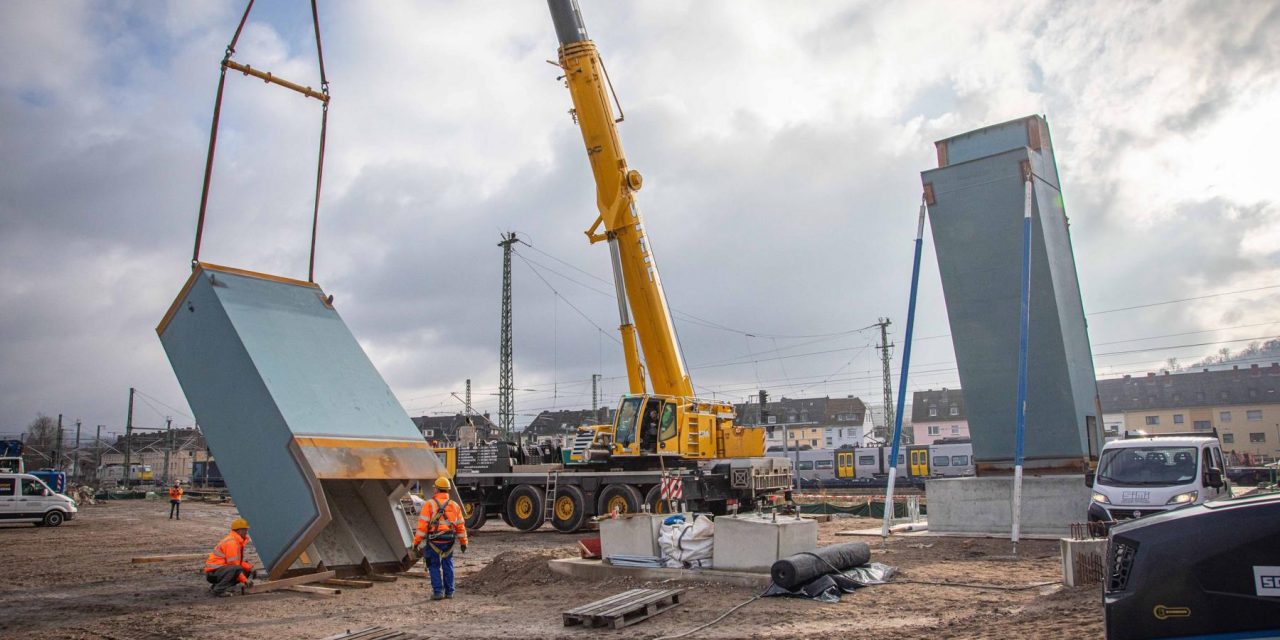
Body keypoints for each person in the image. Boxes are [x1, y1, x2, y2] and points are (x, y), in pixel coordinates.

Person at [412, 477, 468, 601]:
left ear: (436, 489)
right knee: (448, 564)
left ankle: (438, 592)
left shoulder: (429, 504)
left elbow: (422, 527)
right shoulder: (455, 505)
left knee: (434, 565)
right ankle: (449, 592)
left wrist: (416, 543)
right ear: (447, 490)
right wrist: (464, 542)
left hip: (434, 542)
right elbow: (460, 527)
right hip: (449, 541)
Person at [205, 518, 254, 597]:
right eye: (245, 530)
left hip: (218, 571)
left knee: (245, 570)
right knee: (236, 569)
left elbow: (237, 563)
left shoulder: (236, 541)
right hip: (213, 573)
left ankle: (216, 587)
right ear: (239, 530)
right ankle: (218, 591)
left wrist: (250, 568)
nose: (246, 532)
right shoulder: (232, 542)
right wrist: (245, 580)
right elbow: (234, 566)